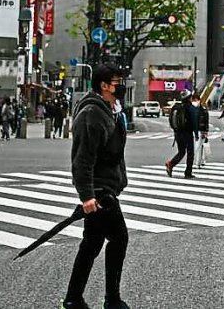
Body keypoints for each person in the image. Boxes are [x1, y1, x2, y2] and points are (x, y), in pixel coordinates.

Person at [63, 65, 130, 309]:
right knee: (119, 239)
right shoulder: (92, 113)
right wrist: (87, 195)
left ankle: (73, 299)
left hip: (106, 188)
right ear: (103, 85)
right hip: (100, 191)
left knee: (91, 244)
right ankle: (111, 299)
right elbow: (82, 159)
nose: (121, 84)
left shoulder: (111, 110)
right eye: (116, 81)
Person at [166, 91, 197, 177]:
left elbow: (170, 120)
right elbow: (194, 121)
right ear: (189, 98)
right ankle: (188, 172)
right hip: (187, 133)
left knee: (181, 152)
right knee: (190, 152)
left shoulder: (176, 107)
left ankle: (171, 164)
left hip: (177, 133)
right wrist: (196, 133)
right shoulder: (190, 107)